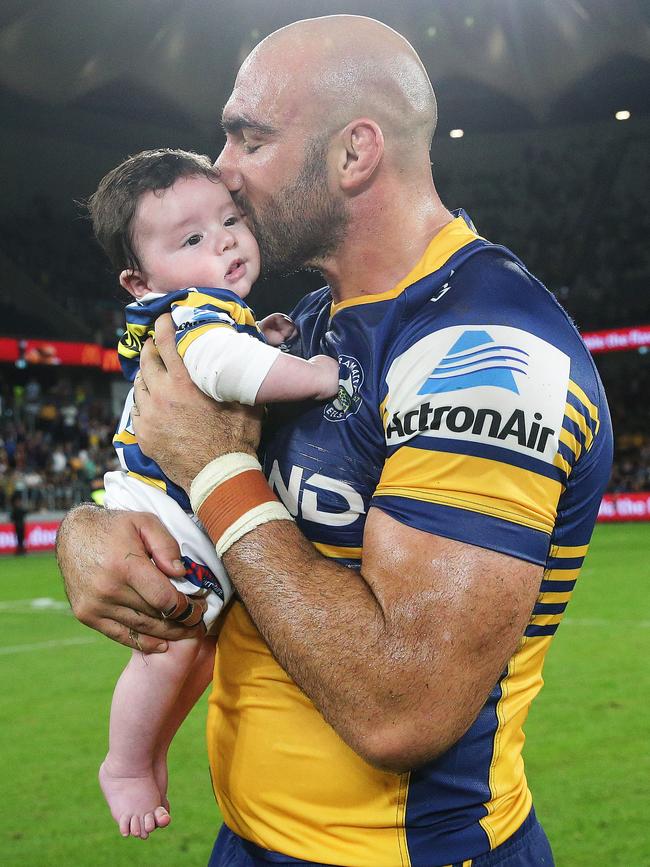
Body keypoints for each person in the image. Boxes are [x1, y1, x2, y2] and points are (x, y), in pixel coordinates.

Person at [56, 15, 613, 867]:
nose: (223, 168)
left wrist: (214, 467)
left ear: (355, 154)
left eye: (249, 136)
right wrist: (85, 530)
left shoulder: (487, 348)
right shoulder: (309, 325)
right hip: (248, 837)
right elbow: (177, 466)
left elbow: (404, 707)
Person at [86, 148, 339, 839]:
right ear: (140, 281)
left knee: (196, 648)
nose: (224, 238)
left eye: (229, 219)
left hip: (178, 501)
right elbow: (226, 366)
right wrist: (309, 373)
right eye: (191, 238)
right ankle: (127, 762)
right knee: (170, 645)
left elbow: (230, 355)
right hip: (164, 507)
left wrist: (263, 336)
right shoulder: (192, 315)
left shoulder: (208, 311)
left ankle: (151, 750)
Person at [10, 490, 27, 555]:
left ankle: (21, 550)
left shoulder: (16, 509)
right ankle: (20, 550)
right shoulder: (17, 509)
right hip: (19, 526)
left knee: (21, 538)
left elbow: (11, 518)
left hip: (20, 526)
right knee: (19, 538)